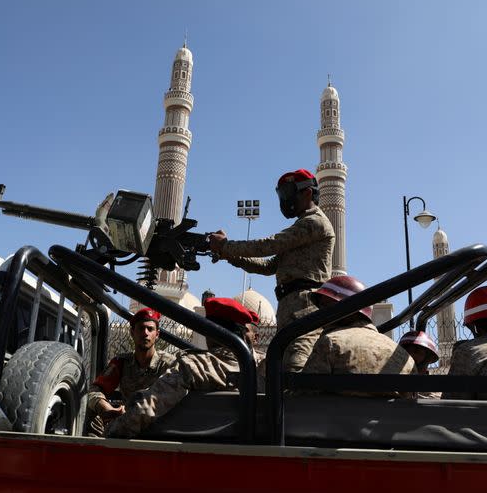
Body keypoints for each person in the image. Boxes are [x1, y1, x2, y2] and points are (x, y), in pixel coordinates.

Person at [210, 169, 334, 372]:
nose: (285, 200)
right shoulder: (302, 227)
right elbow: (269, 267)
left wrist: (226, 246)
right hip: (290, 309)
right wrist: (229, 256)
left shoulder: (314, 223)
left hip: (305, 309)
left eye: (288, 193)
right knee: (275, 373)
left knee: (294, 370)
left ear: (308, 193)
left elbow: (270, 245)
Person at [106, 297, 260, 439]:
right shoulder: (265, 365)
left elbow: (148, 407)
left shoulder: (194, 366)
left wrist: (113, 430)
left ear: (211, 333)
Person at [301, 276, 416, 398]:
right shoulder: (405, 357)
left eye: (327, 307)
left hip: (337, 416)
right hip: (394, 417)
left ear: (350, 309)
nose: (321, 314)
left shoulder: (331, 343)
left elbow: (303, 398)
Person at [86, 308, 176, 436]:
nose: (145, 333)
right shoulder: (122, 362)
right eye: (141, 328)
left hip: (158, 426)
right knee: (90, 416)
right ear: (132, 333)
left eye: (150, 329)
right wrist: (104, 406)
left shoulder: (168, 364)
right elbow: (95, 389)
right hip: (127, 423)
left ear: (157, 334)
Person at [399, 330, 441, 399]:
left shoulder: (435, 391)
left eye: (416, 351)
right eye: (407, 352)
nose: (411, 355)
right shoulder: (396, 386)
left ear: (427, 357)